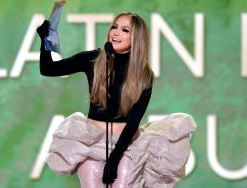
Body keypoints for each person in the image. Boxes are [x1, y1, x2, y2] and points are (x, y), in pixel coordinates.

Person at [37, 11, 196, 188]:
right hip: (92, 142)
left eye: (125, 30)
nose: (116, 32)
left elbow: (134, 121)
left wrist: (114, 160)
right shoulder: (94, 59)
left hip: (125, 145)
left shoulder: (144, 75)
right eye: (114, 27)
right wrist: (45, 41)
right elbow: (48, 69)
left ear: (137, 38)